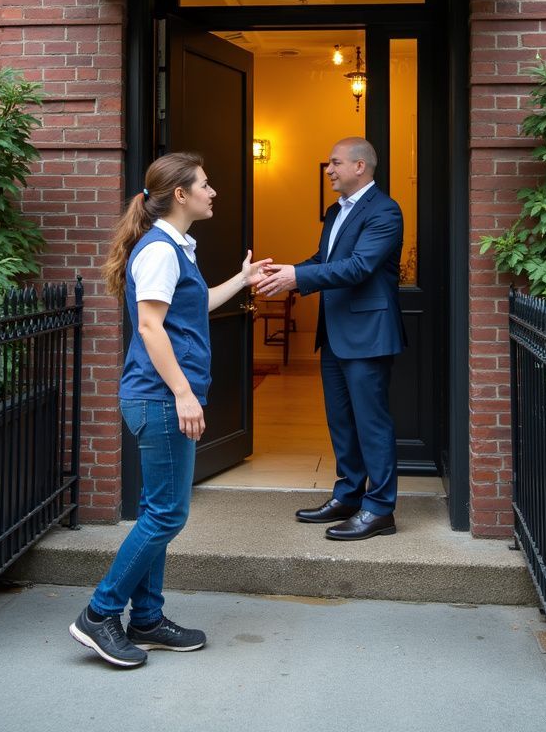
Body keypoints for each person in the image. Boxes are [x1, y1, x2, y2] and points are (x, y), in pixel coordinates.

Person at [69, 151, 271, 669]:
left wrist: (242, 281)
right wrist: (184, 393)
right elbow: (151, 327)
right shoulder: (159, 250)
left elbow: (190, 306)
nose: (213, 191)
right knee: (166, 513)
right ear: (180, 195)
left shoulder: (176, 247)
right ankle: (100, 613)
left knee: (161, 510)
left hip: (163, 397)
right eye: (206, 184)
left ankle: (148, 619)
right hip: (159, 399)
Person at [256, 136, 406, 541]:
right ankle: (349, 495)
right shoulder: (335, 211)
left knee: (371, 423)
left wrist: (298, 278)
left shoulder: (385, 212)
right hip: (336, 334)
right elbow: (325, 261)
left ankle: (380, 509)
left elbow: (358, 267)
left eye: (335, 163)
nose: (329, 170)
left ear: (360, 166)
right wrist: (284, 274)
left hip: (369, 335)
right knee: (341, 422)